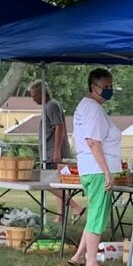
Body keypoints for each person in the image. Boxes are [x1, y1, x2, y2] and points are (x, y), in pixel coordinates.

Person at [66, 69, 122, 266]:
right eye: (104, 87)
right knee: (98, 214)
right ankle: (91, 263)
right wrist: (107, 171)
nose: (108, 90)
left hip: (87, 168)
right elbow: (93, 142)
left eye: (110, 86)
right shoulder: (94, 110)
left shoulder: (84, 106)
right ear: (92, 87)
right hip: (97, 170)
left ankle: (79, 255)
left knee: (93, 213)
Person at [29, 80, 82, 219]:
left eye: (34, 95)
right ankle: (60, 215)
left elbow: (59, 127)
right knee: (59, 183)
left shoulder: (52, 105)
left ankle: (76, 206)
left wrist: (56, 151)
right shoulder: (47, 106)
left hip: (53, 152)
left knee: (46, 183)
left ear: (42, 93)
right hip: (49, 151)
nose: (32, 98)